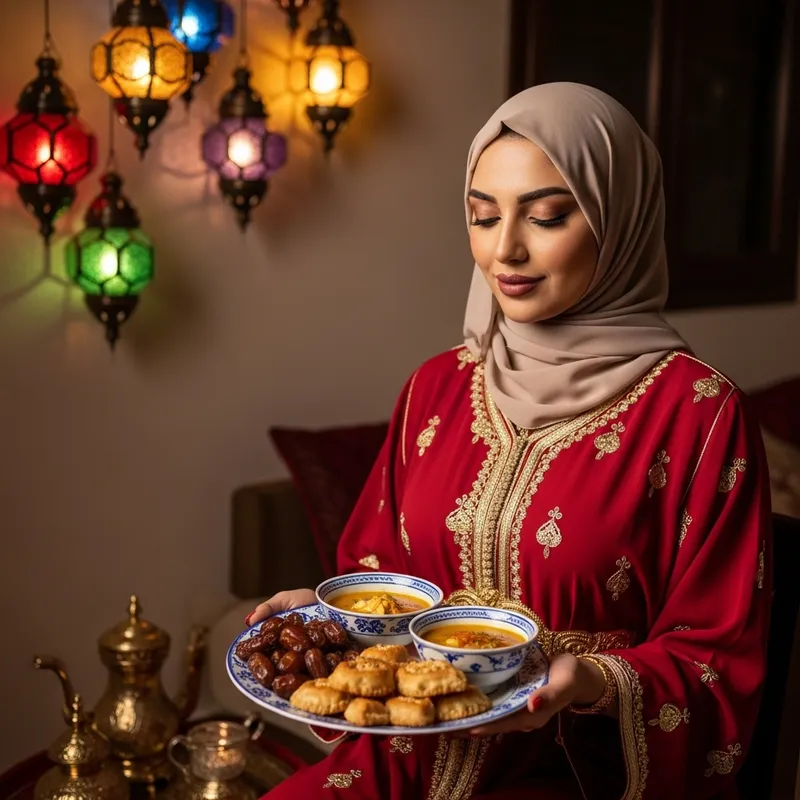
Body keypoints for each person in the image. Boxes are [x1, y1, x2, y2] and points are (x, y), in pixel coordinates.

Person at [247, 83, 772, 799]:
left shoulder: (697, 413)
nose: (505, 250)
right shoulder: (437, 387)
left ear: (619, 220)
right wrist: (328, 618)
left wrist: (592, 680)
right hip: (404, 763)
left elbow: (717, 658)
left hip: (577, 773)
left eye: (549, 216)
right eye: (482, 216)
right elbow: (385, 576)